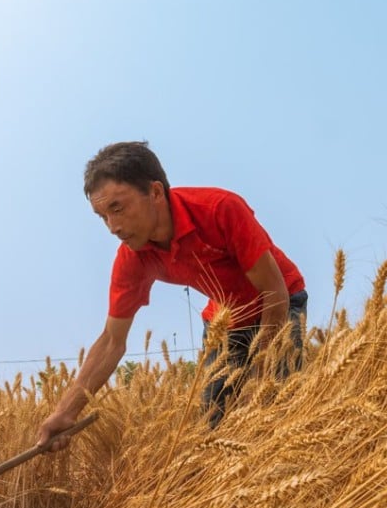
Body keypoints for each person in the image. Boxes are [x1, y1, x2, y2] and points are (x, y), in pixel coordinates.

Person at [35, 141, 307, 450]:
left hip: (281, 298)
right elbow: (112, 340)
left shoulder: (220, 209)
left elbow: (274, 291)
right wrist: (64, 413)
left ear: (154, 192)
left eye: (117, 208)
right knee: (214, 427)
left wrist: (261, 375)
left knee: (276, 406)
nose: (112, 226)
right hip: (225, 320)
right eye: (102, 216)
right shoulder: (131, 258)